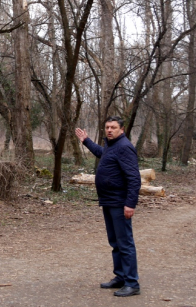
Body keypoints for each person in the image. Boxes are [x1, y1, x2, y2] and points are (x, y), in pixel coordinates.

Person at [75, 116, 142, 297]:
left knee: (125, 243)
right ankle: (120, 277)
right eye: (107, 127)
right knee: (115, 242)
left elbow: (134, 178)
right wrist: (86, 141)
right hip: (108, 201)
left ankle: (131, 283)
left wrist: (130, 204)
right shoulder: (112, 147)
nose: (109, 130)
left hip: (120, 203)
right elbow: (101, 152)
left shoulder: (125, 147)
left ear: (122, 129)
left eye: (113, 127)